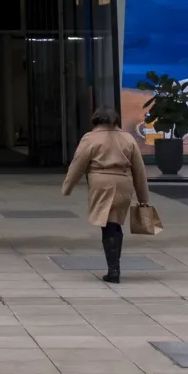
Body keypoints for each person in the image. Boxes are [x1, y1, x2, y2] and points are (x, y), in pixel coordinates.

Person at [61, 107, 152, 284]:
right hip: (124, 183)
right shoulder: (128, 138)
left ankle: (113, 270)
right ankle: (114, 267)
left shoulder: (90, 138)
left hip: (101, 182)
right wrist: (143, 198)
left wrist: (68, 187)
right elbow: (139, 169)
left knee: (108, 224)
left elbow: (78, 164)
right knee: (115, 222)